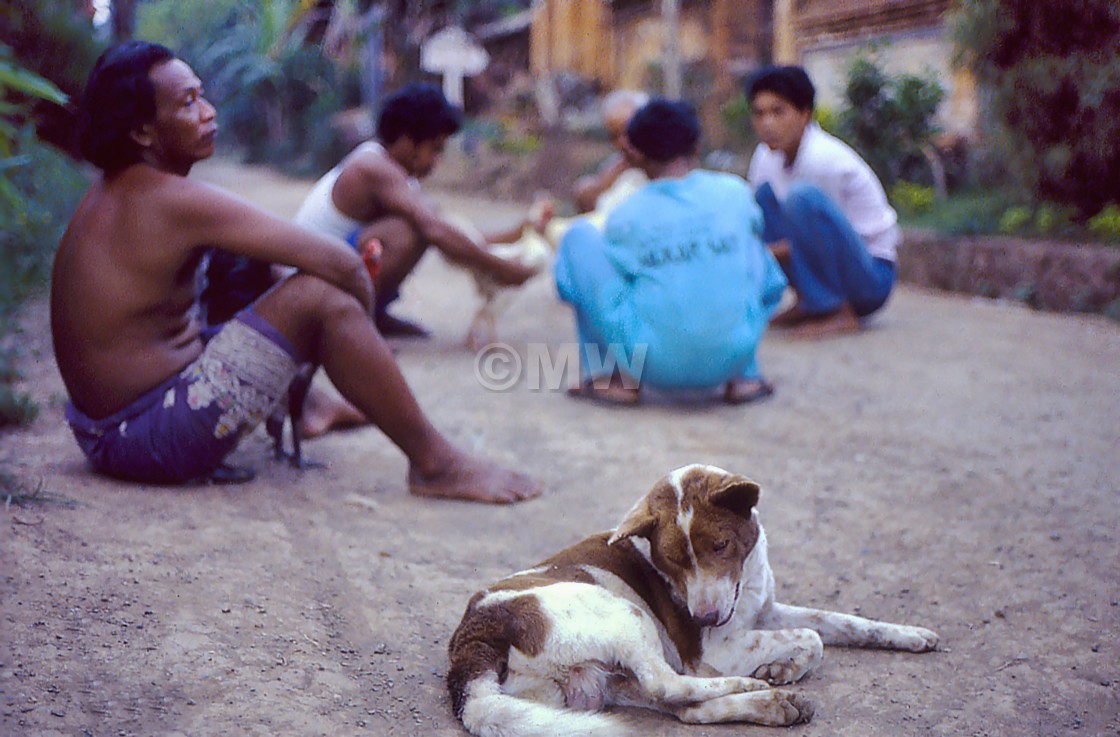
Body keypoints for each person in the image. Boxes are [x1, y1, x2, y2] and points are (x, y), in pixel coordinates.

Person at [50, 41, 540, 503]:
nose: (209, 111)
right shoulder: (164, 197)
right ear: (142, 132)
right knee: (321, 298)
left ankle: (311, 406)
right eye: (188, 103)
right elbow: (340, 264)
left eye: (203, 95)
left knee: (257, 266)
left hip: (110, 427)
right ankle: (436, 464)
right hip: (138, 436)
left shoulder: (125, 189)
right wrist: (355, 329)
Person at [553, 99, 787, 405]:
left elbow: (598, 282)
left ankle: (612, 375)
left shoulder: (627, 214)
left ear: (635, 153)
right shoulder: (735, 192)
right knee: (747, 248)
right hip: (733, 354)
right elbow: (765, 280)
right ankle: (746, 375)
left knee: (578, 238)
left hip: (655, 365)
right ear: (697, 145)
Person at [293, 82, 537, 338]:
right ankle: (351, 323)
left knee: (423, 222)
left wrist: (517, 234)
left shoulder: (399, 176)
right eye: (436, 148)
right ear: (408, 140)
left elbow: (451, 229)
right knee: (409, 231)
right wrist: (501, 268)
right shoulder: (373, 167)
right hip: (309, 283)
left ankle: (370, 314)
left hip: (329, 274)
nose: (437, 161)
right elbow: (436, 230)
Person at [746, 65, 900, 339]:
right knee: (762, 200)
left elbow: (820, 242)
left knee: (800, 198)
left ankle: (837, 310)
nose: (767, 123)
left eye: (778, 111)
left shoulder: (823, 159)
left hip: (871, 277)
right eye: (759, 113)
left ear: (805, 115)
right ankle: (810, 302)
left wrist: (764, 253)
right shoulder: (765, 157)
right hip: (830, 261)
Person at [571, 89, 650, 218]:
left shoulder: (662, 163)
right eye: (615, 136)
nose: (623, 142)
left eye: (628, 132)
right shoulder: (615, 167)